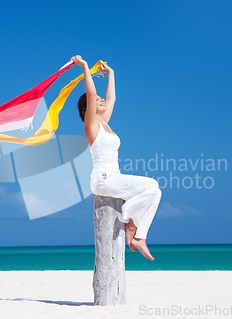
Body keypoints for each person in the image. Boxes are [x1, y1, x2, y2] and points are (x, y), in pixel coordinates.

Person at [72, 55, 162, 261]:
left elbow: (111, 98)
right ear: (89, 108)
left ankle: (137, 233)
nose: (101, 100)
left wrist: (111, 73)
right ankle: (130, 223)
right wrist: (85, 66)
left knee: (155, 192)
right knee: (151, 185)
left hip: (113, 177)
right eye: (97, 100)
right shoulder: (91, 126)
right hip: (103, 179)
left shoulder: (104, 124)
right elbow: (91, 91)